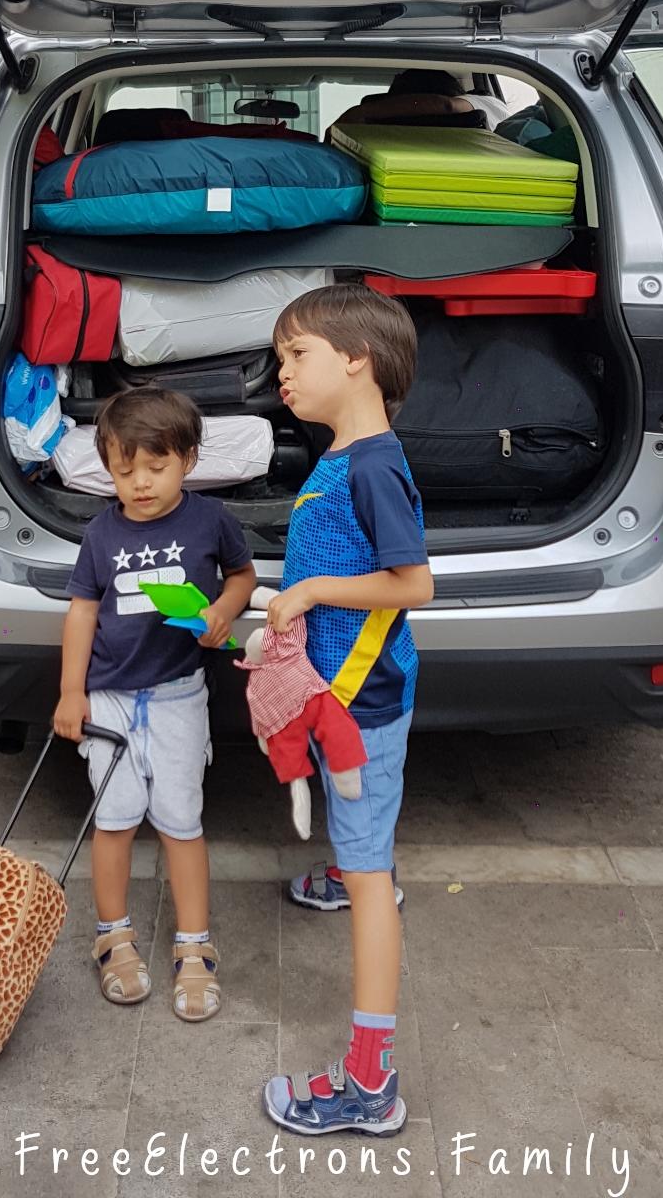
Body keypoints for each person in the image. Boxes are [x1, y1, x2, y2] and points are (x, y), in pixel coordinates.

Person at [262, 284, 432, 1136]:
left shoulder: (370, 465)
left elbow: (416, 585)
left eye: (297, 355)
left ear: (355, 360)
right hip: (344, 694)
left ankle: (369, 1083)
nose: (280, 372)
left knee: (373, 877)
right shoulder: (344, 454)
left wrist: (313, 591)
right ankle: (350, 865)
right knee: (356, 836)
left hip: (358, 704)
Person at [53, 385, 256, 1021]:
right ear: (108, 468)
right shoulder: (100, 533)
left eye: (156, 467)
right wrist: (71, 691)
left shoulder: (210, 520)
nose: (140, 483)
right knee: (113, 819)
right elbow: (82, 613)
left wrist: (225, 609)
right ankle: (112, 936)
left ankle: (193, 948)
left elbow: (243, 576)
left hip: (177, 696)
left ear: (189, 460)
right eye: (124, 470)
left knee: (180, 821)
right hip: (110, 699)